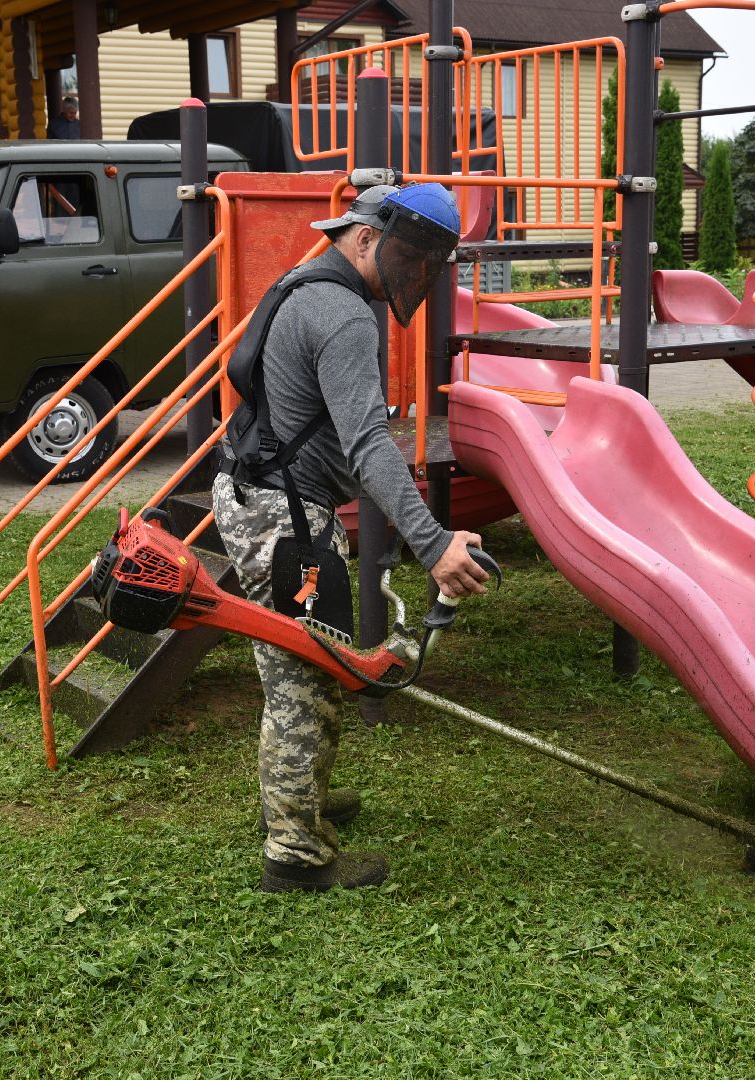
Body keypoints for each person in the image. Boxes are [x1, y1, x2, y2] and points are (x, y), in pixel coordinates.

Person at [212, 184, 490, 894]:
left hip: (257, 495)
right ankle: (296, 855)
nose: (415, 274)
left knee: (298, 667)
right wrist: (435, 545)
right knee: (304, 681)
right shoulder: (341, 314)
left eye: (427, 264)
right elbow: (368, 446)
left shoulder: (304, 282)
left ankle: (297, 797)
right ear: (365, 237)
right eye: (409, 256)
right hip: (285, 520)